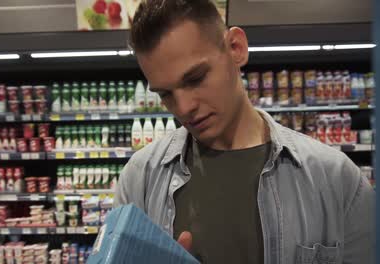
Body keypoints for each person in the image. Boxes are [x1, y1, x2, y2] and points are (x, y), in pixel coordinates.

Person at [114, 0, 375, 263]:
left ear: (236, 48)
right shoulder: (140, 179)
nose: (183, 108)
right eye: (166, 94)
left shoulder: (336, 180)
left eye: (195, 79)